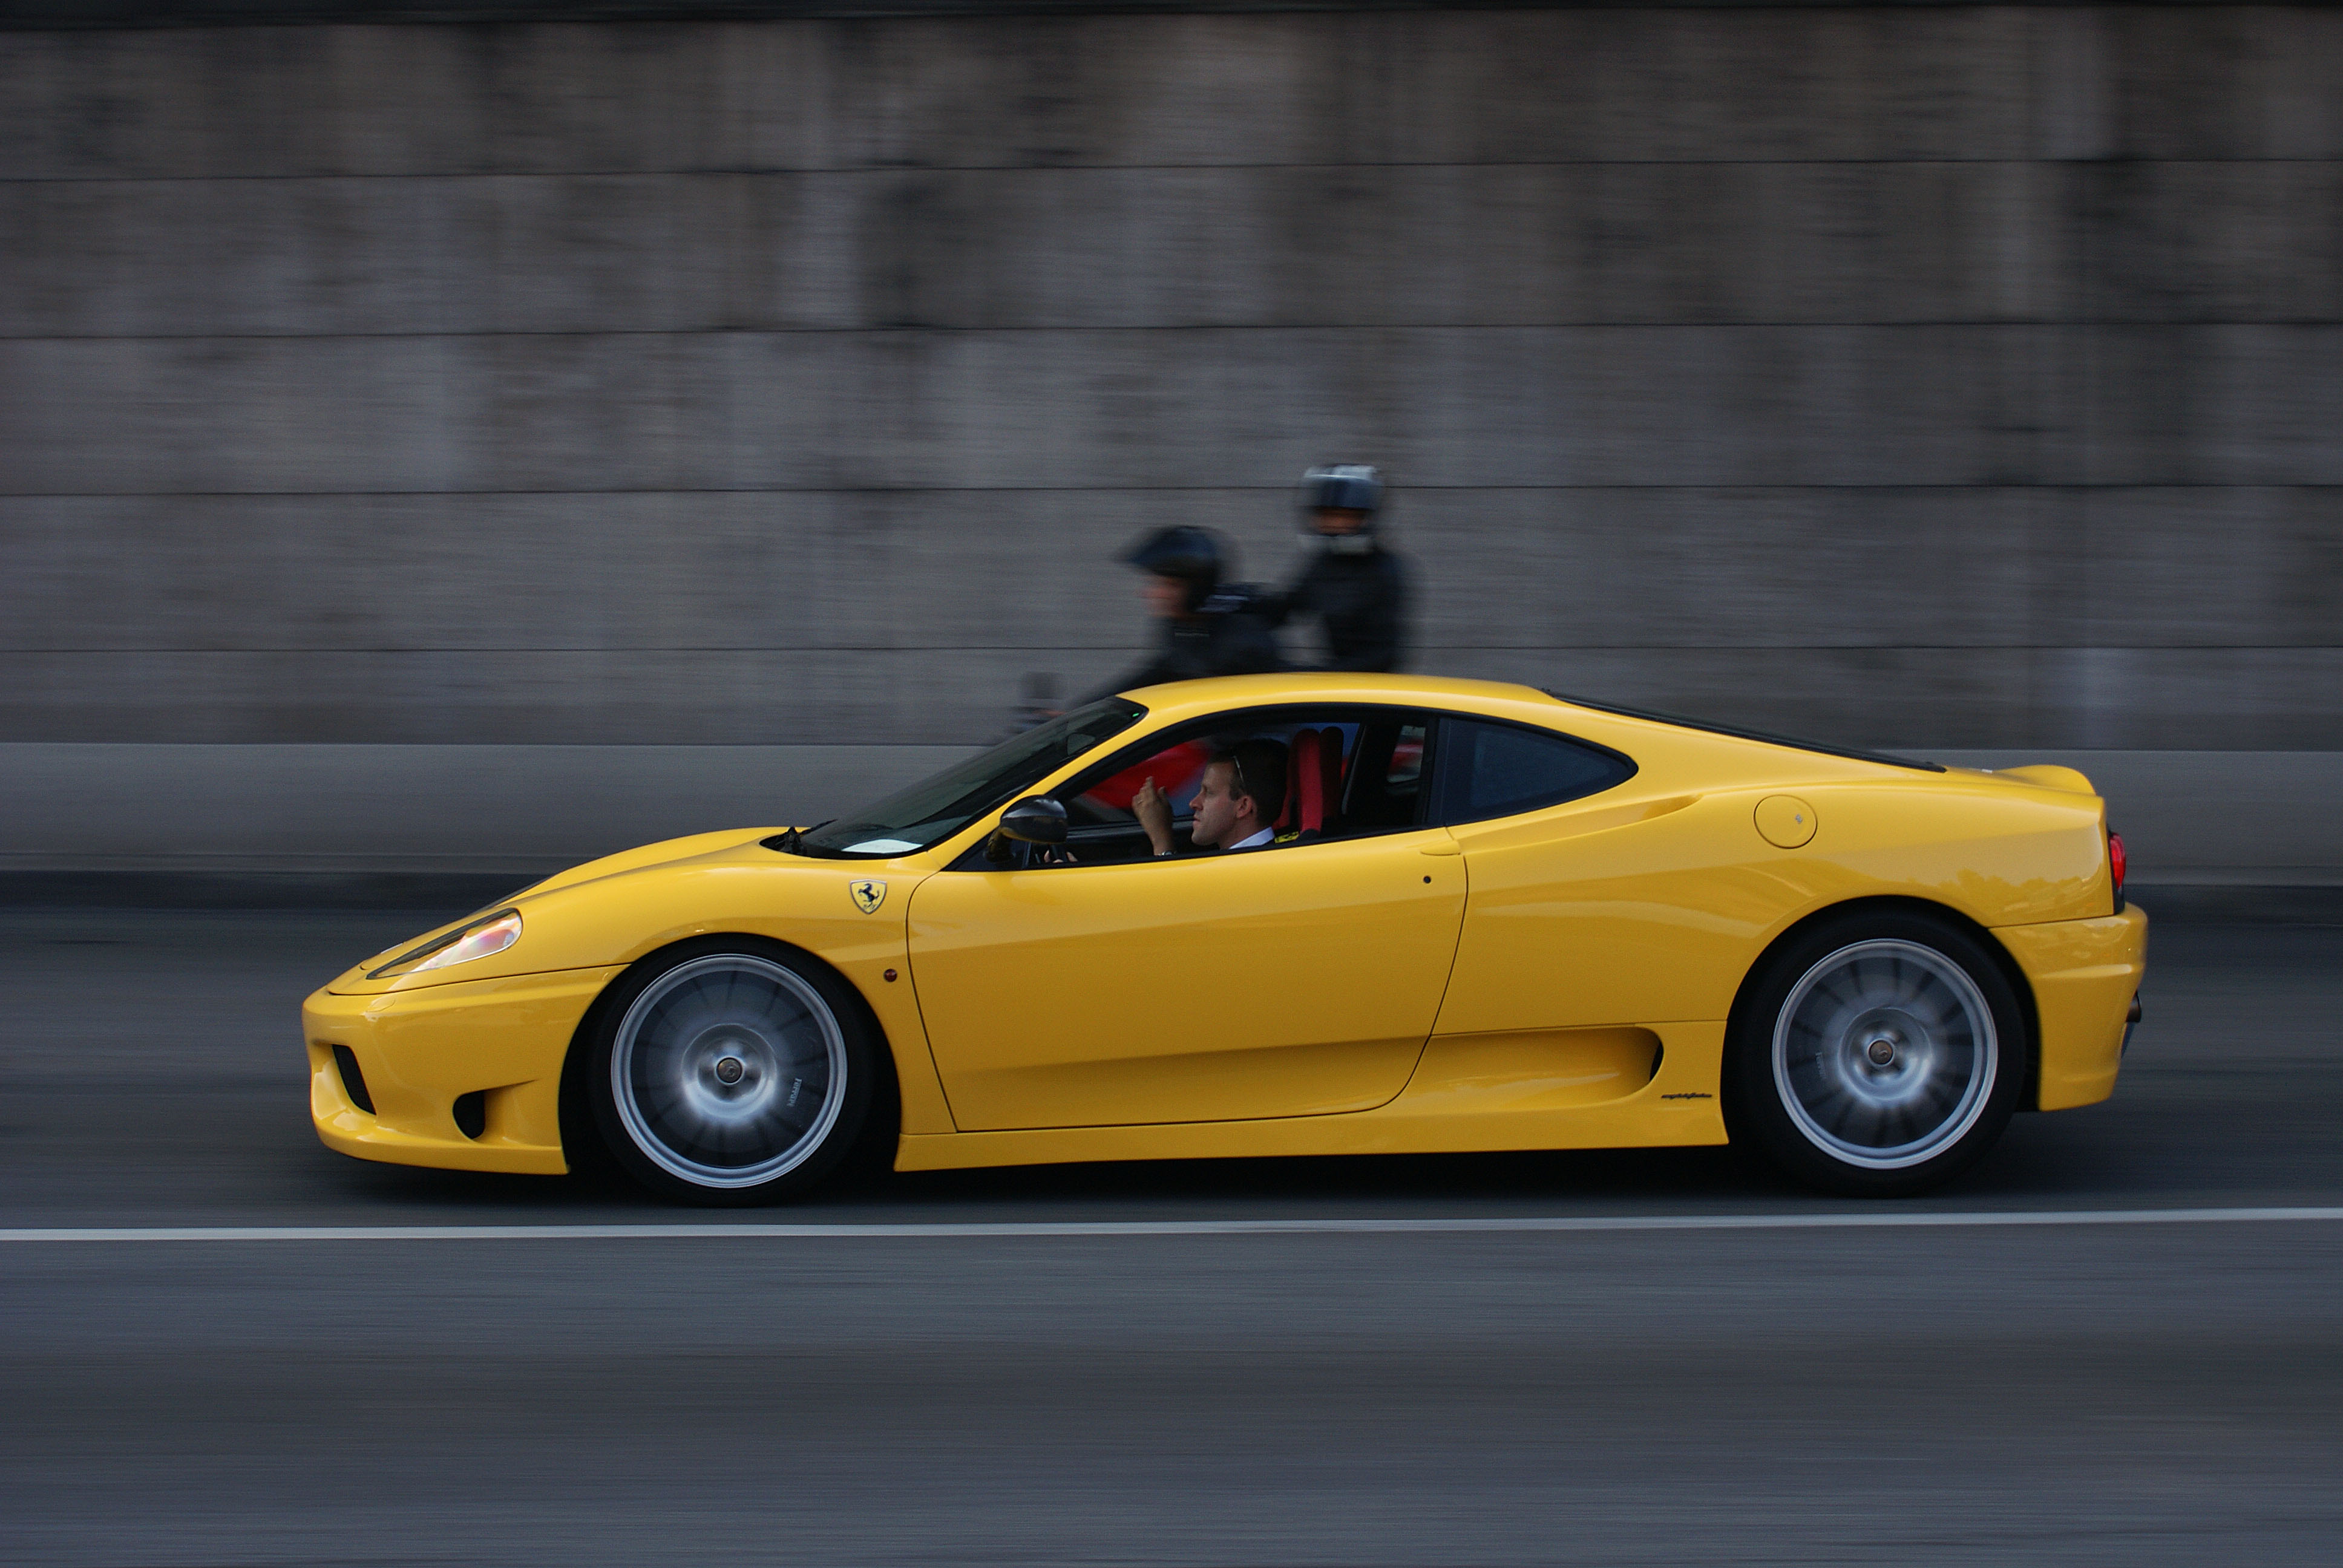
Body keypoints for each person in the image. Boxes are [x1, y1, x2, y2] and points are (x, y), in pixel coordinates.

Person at [1078, 526, 1283, 703]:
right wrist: (1083, 712)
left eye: (1167, 585)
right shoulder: (1182, 627)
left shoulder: (1240, 640)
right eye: (1154, 584)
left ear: (1197, 589)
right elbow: (1156, 673)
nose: (1151, 593)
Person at [1272, 464, 1409, 671]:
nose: (1335, 523)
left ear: (1366, 518)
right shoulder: (1324, 563)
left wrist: (1318, 675)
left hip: (1370, 687)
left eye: (1345, 516)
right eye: (1327, 515)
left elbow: (1383, 654)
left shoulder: (1383, 570)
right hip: (1337, 679)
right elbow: (1286, 607)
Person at [1130, 739, 1288, 858]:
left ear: (1243, 806)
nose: (1194, 803)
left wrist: (1161, 842)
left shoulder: (1254, 868)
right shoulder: (1259, 857)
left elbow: (1173, 901)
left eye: (1209, 792)